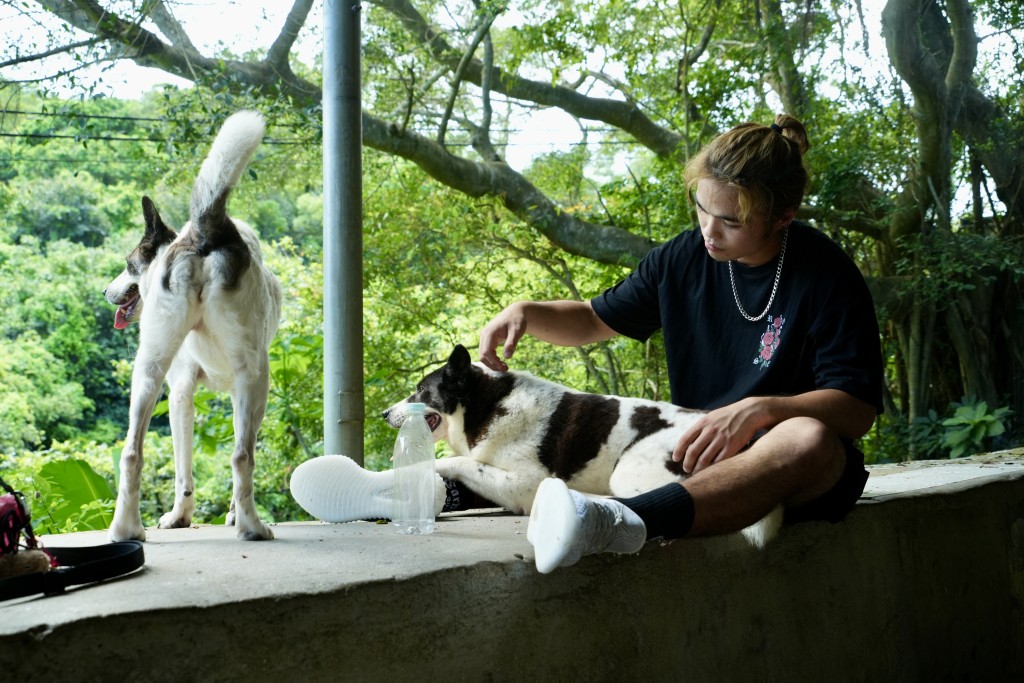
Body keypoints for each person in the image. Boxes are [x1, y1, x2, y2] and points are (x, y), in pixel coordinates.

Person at [479, 114, 883, 573]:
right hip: (697, 456)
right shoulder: (681, 258)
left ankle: (617, 521)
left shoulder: (827, 274)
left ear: (781, 218)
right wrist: (527, 313)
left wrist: (761, 409)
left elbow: (857, 408)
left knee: (807, 437)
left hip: (791, 466)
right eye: (702, 208)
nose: (709, 231)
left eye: (730, 221)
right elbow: (594, 319)